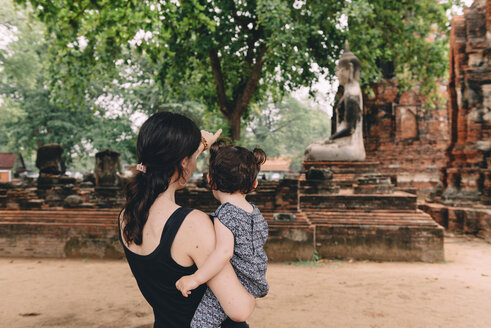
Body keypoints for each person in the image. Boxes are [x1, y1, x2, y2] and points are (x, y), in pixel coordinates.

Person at [118, 112, 255, 328]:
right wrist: (253, 288)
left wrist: (198, 146)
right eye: (194, 156)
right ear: (184, 162)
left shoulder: (127, 217)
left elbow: (174, 164)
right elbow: (239, 310)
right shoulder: (192, 224)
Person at [176, 140, 269, 328]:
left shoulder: (225, 213)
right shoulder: (254, 211)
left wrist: (195, 279)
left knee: (201, 324)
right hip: (257, 277)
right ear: (254, 184)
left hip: (240, 279)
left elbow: (224, 252)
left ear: (210, 180)